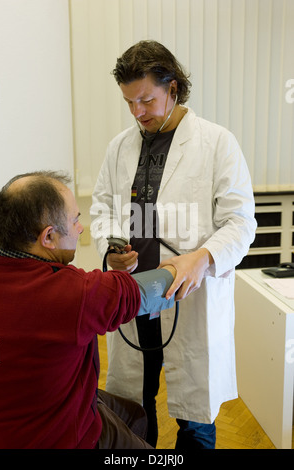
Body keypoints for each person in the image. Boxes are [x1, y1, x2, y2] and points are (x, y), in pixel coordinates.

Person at [90, 40, 257, 449]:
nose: (137, 112)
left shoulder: (218, 143)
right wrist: (111, 247)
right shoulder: (119, 147)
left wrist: (203, 258)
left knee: (195, 419)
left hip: (190, 297)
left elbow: (240, 222)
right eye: (129, 102)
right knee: (132, 409)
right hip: (135, 296)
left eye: (146, 99)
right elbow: (102, 209)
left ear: (174, 87)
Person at [0, 170, 177, 449]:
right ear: (49, 237)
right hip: (62, 438)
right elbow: (146, 291)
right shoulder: (74, 293)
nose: (81, 228)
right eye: (75, 219)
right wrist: (188, 264)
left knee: (132, 412)